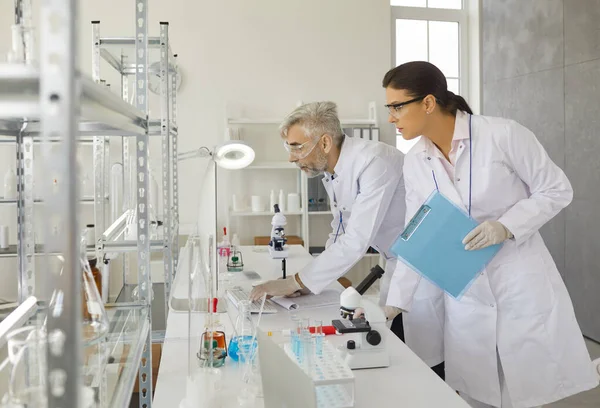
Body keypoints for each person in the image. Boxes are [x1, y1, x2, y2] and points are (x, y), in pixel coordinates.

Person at [383, 61, 599, 408]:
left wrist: (506, 226)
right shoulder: (415, 161)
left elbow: (556, 189)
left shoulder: (502, 135)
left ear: (427, 103)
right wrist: (394, 303)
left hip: (518, 280)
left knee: (525, 389)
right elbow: (417, 235)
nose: (391, 116)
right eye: (389, 108)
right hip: (466, 293)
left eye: (397, 106)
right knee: (477, 395)